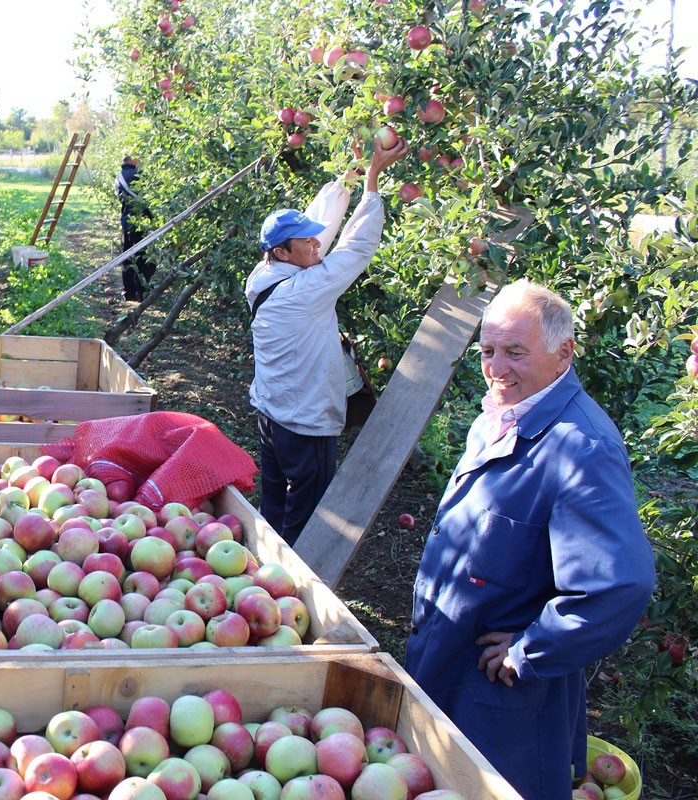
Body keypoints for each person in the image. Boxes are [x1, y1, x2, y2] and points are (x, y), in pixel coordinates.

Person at [404, 279, 655, 799]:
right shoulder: (501, 417)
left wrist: (531, 650)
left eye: (515, 352)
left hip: (501, 700)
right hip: (445, 663)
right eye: (488, 351)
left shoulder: (581, 449)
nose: (496, 367)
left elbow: (617, 584)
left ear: (563, 354)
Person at [245, 134, 408, 544]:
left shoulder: (265, 274)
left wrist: (347, 180)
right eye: (307, 242)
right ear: (283, 252)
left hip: (272, 414)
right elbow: (356, 248)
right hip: (305, 423)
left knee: (275, 503)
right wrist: (372, 182)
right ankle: (295, 580)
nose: (318, 244)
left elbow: (319, 223)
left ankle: (260, 568)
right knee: (307, 511)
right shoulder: (302, 292)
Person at [116, 155, 155, 301]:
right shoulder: (137, 175)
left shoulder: (119, 176)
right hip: (141, 222)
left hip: (127, 222)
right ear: (131, 159)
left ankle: (128, 291)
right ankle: (142, 291)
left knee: (127, 257)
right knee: (143, 258)